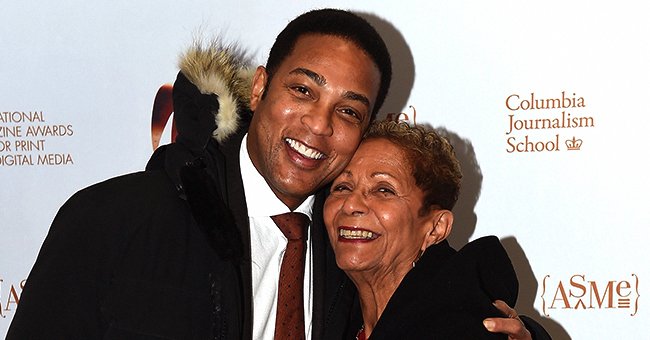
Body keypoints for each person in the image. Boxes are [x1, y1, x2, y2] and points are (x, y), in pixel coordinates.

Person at [7, 8, 543, 340]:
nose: (318, 124)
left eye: (349, 111)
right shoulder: (116, 220)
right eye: (303, 90)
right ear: (260, 88)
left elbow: (451, 293)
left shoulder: (354, 255)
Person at [324, 120, 552, 339]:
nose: (351, 204)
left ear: (436, 228)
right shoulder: (329, 318)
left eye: (384, 190)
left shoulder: (464, 329)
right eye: (342, 187)